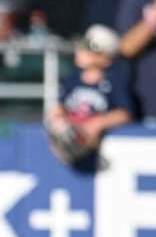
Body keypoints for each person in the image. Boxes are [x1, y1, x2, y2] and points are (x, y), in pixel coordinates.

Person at [48, 25, 133, 159]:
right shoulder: (72, 79)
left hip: (97, 144)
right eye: (82, 46)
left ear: (107, 59)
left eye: (90, 49)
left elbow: (124, 114)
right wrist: (59, 119)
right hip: (72, 134)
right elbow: (60, 107)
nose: (80, 51)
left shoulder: (113, 82)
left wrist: (96, 123)